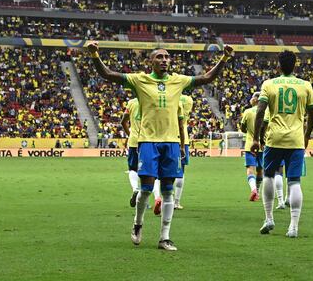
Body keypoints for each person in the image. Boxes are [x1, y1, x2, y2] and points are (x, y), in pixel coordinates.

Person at [88, 43, 234, 251]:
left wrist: (225, 58)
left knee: (168, 191)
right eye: (159, 57)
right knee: (146, 189)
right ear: (151, 61)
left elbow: (207, 78)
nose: (164, 60)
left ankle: (164, 237)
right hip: (148, 142)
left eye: (166, 57)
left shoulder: (179, 80)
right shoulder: (140, 80)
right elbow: (108, 74)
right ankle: (138, 223)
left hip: (172, 143)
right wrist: (94, 54)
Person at [251, 50, 313, 239]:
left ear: (278, 66)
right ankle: (293, 227)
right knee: (294, 181)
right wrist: (307, 135)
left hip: (274, 138)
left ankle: (269, 218)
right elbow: (312, 114)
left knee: (269, 176)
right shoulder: (305, 86)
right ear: (295, 66)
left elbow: (260, 111)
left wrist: (256, 138)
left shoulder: (269, 84)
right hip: (296, 139)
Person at [239, 92, 263, 201]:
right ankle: (258, 190)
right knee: (260, 169)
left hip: (250, 144)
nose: (251, 99)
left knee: (250, 169)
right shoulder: (266, 112)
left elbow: (242, 128)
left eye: (252, 97)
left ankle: (253, 189)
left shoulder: (247, 112)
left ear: (255, 100)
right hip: (263, 145)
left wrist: (249, 130)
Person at [173, 94, 193, 210]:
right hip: (183, 139)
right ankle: (176, 201)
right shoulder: (188, 100)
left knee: (164, 169)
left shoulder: (171, 97)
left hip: (169, 137)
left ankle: (164, 198)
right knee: (181, 171)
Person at [121, 96, 141, 207]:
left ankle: (135, 189)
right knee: (149, 170)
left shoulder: (132, 103)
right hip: (149, 140)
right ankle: (154, 197)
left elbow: (123, 121)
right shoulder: (151, 100)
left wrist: (130, 135)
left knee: (133, 168)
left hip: (134, 141)